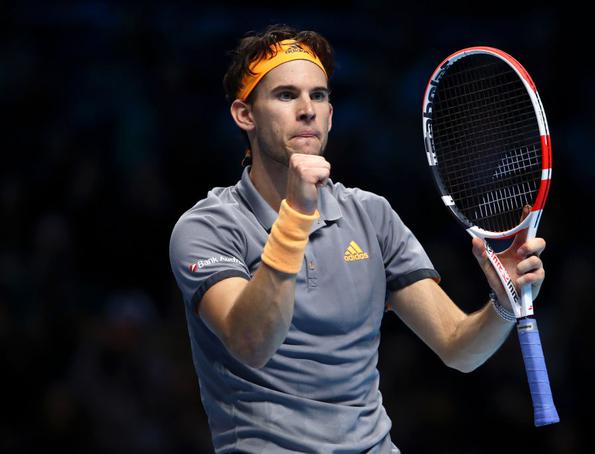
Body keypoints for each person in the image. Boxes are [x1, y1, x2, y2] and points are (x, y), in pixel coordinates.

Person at [169, 24, 546, 454]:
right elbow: (252, 343)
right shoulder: (207, 228)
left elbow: (458, 347)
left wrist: (502, 302)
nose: (307, 109)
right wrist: (296, 214)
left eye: (319, 95)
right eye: (286, 95)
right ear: (245, 115)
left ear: (331, 114)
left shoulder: (372, 216)